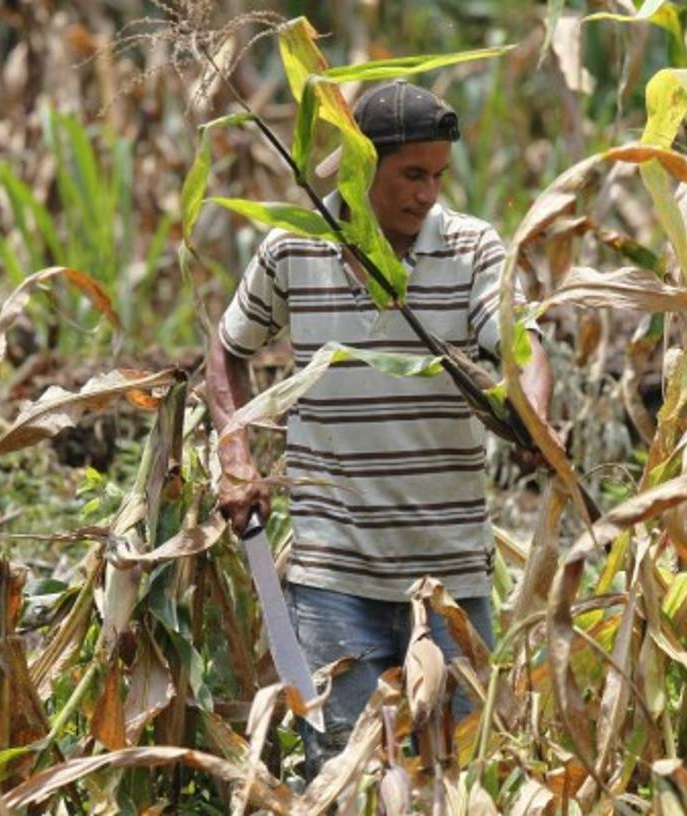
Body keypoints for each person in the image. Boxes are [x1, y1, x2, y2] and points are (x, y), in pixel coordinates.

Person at [204, 80, 552, 774]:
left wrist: (534, 417)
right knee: (345, 777)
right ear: (363, 166)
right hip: (333, 577)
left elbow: (521, 344)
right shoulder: (292, 250)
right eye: (411, 174)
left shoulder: (473, 248)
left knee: (455, 779)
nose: (427, 194)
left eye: (438, 176)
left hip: (450, 583)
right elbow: (227, 349)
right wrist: (235, 450)